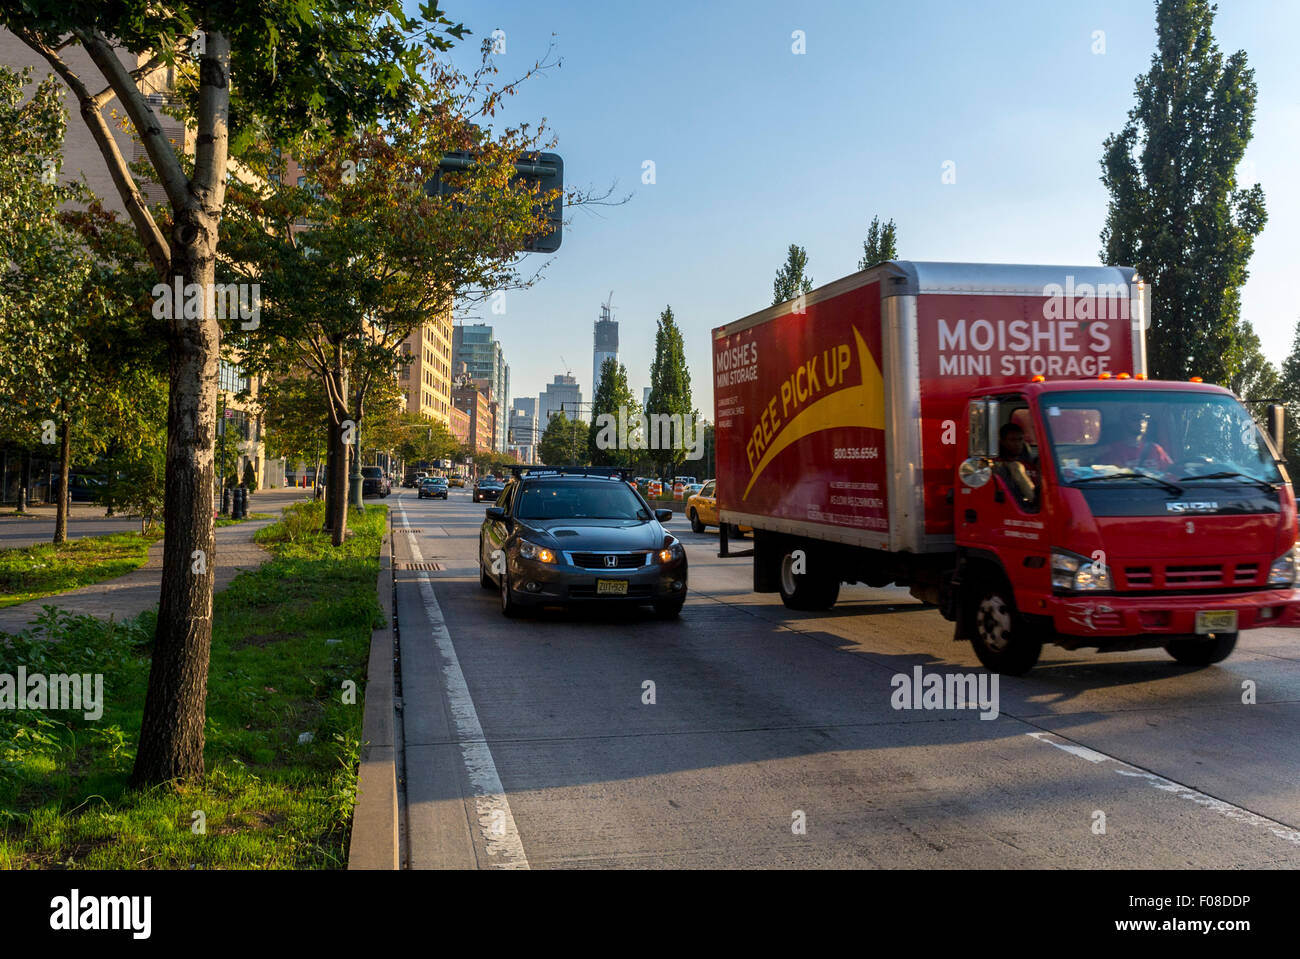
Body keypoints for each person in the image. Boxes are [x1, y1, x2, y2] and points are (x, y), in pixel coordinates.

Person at [1095, 409, 1173, 471]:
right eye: (1136, 418)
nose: (1141, 421)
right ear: (1123, 421)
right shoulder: (1112, 451)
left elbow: (1171, 473)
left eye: (1145, 418)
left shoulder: (1155, 449)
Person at [995, 422, 1038, 506]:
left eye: (1020, 439)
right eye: (1013, 440)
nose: (1017, 444)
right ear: (1003, 441)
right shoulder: (999, 465)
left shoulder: (1031, 464)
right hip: (1020, 504)